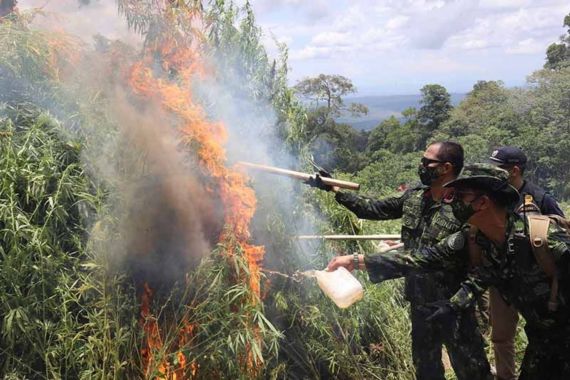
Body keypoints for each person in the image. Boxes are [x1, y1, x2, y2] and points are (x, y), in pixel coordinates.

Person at [328, 164, 570, 379]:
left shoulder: (542, 239)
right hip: (543, 340)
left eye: (461, 196)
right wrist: (357, 260)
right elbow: (426, 258)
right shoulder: (475, 238)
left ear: (483, 202)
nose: (452, 201)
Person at [307, 142, 491, 380]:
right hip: (420, 301)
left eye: (427, 162)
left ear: (446, 167)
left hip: (455, 304)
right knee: (426, 369)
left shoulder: (465, 207)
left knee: (472, 369)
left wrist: (357, 260)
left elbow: (428, 258)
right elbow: (374, 208)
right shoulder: (415, 197)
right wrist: (334, 189)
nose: (421, 166)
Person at [488, 146, 565, 380]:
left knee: (541, 335)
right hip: (501, 282)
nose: (492, 173)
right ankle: (505, 376)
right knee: (501, 337)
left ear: (514, 170)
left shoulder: (539, 198)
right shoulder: (493, 198)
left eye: (497, 169)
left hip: (535, 287)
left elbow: (562, 233)